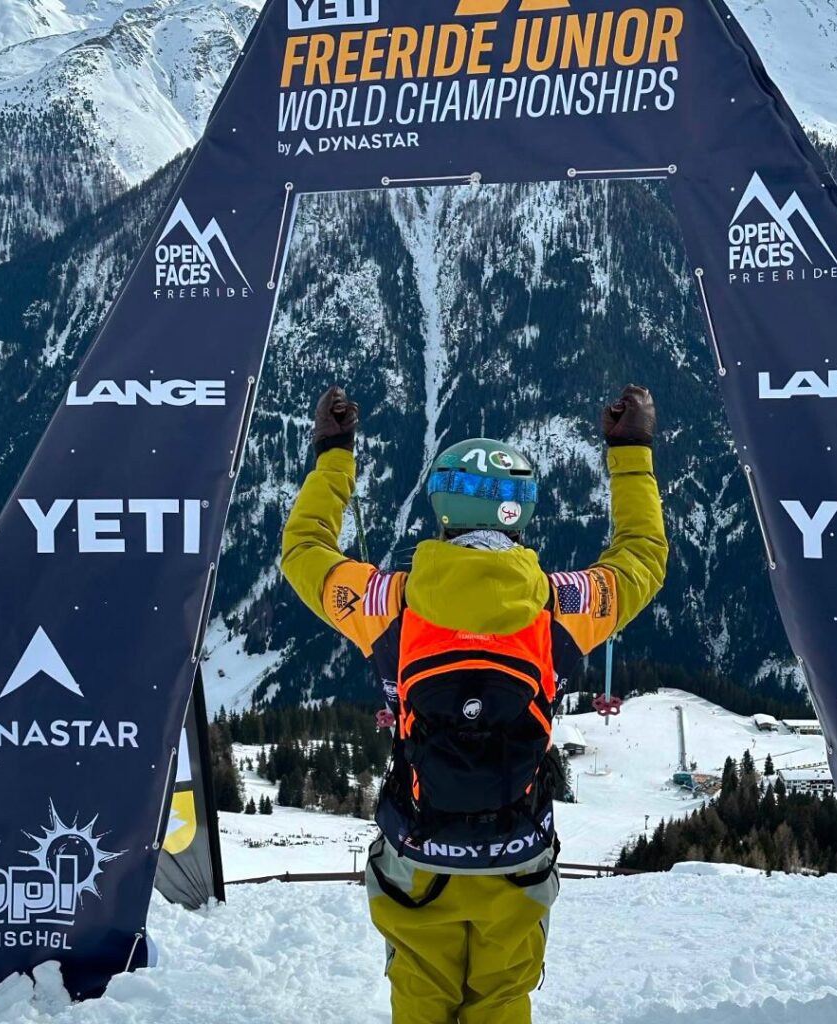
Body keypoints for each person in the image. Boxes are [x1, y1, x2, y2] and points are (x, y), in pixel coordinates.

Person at [281, 384, 668, 1024]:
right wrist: (630, 451)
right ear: (523, 513)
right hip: (516, 852)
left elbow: (304, 551)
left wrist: (334, 454)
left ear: (441, 510)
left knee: (420, 996)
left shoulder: (386, 604)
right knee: (503, 1000)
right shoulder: (561, 607)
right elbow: (642, 558)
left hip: (418, 849)